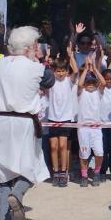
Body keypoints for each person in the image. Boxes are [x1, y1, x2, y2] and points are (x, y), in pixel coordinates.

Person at [0, 26, 54, 220]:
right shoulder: (36, 68)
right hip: (24, 122)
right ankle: (17, 194)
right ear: (31, 46)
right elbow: (49, 80)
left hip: (0, 122)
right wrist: (39, 59)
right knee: (31, 165)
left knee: (3, 171)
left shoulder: (0, 64)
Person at [47, 45, 79, 187]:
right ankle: (55, 172)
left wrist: (70, 55)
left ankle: (64, 172)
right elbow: (44, 74)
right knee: (53, 147)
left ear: (67, 72)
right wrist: (47, 60)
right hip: (52, 118)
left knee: (63, 146)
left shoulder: (68, 81)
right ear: (54, 71)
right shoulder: (51, 81)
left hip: (65, 118)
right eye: (58, 71)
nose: (60, 73)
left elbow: (76, 71)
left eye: (63, 71)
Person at [75, 57, 106, 187]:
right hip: (83, 128)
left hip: (96, 128)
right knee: (84, 153)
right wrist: (86, 69)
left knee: (99, 152)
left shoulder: (98, 93)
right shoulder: (81, 92)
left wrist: (94, 68)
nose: (90, 84)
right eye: (88, 82)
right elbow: (79, 84)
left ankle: (97, 173)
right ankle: (84, 176)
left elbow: (103, 82)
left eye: (93, 82)